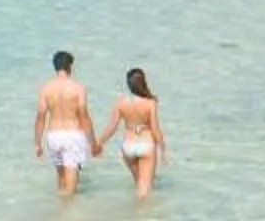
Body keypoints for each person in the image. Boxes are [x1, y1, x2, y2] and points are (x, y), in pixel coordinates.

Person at [34, 50, 96, 196]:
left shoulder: (46, 89)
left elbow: (41, 116)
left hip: (54, 136)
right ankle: (68, 210)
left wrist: (37, 143)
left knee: (61, 181)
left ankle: (59, 208)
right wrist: (93, 142)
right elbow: (84, 116)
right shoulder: (77, 88)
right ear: (70, 67)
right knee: (71, 188)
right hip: (72, 134)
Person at [103, 67, 170, 201]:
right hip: (146, 145)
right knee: (144, 191)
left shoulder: (121, 102)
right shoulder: (150, 103)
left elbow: (112, 127)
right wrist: (163, 149)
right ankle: (143, 213)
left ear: (129, 85)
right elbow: (155, 129)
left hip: (128, 146)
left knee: (139, 183)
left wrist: (99, 143)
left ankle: (135, 212)